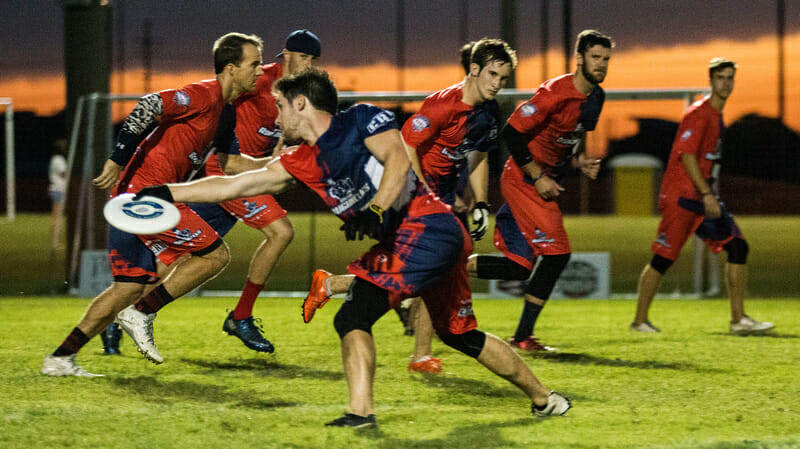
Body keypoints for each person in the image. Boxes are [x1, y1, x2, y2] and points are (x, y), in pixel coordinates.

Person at [135, 68, 571, 427]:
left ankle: (360, 414)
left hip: (424, 229)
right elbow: (235, 183)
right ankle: (545, 399)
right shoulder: (295, 161)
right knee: (460, 334)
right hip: (426, 239)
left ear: (301, 102)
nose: (276, 113)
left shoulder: (360, 119)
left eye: (282, 105)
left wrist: (378, 209)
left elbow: (399, 159)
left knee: (354, 315)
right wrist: (167, 193)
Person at [41, 32, 265, 376]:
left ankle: (60, 358)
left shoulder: (227, 113)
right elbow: (149, 104)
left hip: (147, 197)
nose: (260, 71)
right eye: (254, 63)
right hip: (143, 195)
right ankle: (141, 313)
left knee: (128, 286)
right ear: (231, 68)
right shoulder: (202, 95)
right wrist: (117, 158)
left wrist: (282, 165)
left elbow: (232, 163)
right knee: (215, 255)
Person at [304, 38, 517, 374]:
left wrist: (479, 202)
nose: (497, 84)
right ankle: (418, 353)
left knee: (428, 273)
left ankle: (331, 286)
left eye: (503, 79)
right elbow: (406, 146)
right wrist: (426, 196)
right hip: (418, 202)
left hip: (444, 199)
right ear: (474, 70)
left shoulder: (488, 112)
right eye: (492, 74)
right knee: (431, 270)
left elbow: (478, 156)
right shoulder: (441, 105)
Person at [462, 29, 612, 352]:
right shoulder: (554, 93)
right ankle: (523, 337)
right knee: (558, 254)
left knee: (518, 266)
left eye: (606, 59)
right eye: (595, 57)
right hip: (523, 180)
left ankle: (454, 266)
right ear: (580, 58)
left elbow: (577, 132)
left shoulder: (596, 97)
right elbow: (512, 134)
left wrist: (581, 161)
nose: (601, 65)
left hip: (540, 182)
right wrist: (537, 176)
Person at [630, 58, 774, 335]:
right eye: (721, 77)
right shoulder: (699, 113)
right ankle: (639, 322)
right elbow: (686, 155)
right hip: (683, 198)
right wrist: (707, 193)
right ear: (711, 80)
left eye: (730, 78)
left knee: (738, 246)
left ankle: (739, 320)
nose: (726, 83)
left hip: (700, 198)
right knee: (663, 259)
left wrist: (707, 193)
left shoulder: (717, 116)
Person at [48, 138, 68, 250]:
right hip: (59, 189)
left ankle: (56, 241)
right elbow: (64, 173)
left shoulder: (54, 159)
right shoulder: (59, 159)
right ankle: (55, 243)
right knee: (58, 217)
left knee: (56, 217)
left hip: (55, 188)